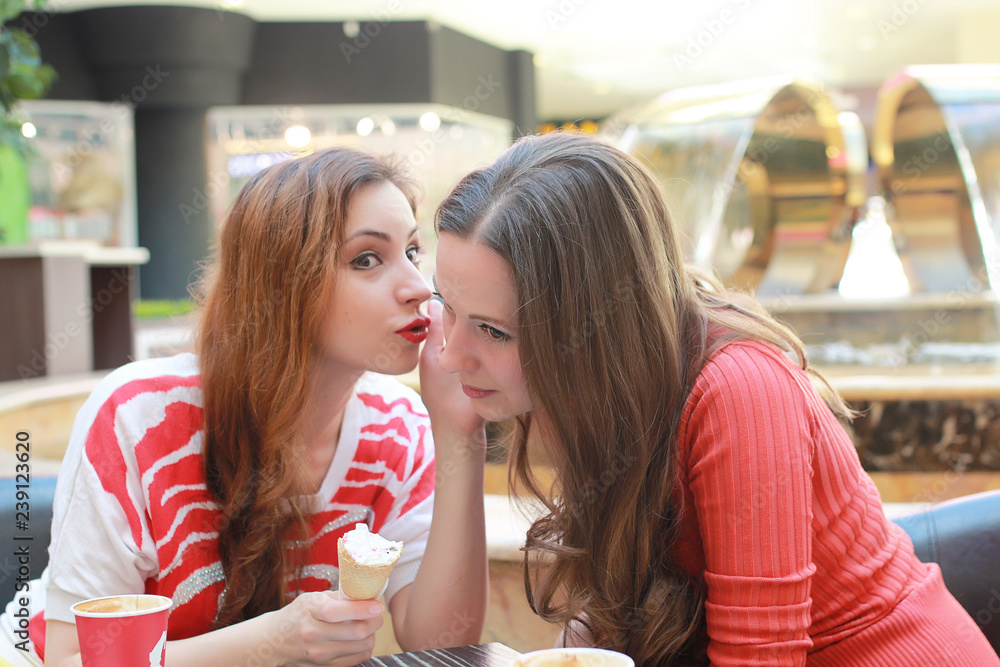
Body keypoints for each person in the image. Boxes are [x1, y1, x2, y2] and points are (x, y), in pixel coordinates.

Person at [429, 131, 999, 667]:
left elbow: (760, 658)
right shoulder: (600, 389)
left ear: (590, 325)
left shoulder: (740, 392)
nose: (452, 355)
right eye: (447, 308)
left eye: (494, 330)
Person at [5, 147, 488, 666]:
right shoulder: (139, 418)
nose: (419, 287)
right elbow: (71, 660)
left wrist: (461, 437)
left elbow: (441, 646)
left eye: (413, 253)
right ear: (283, 282)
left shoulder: (400, 426)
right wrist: (273, 641)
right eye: (366, 259)